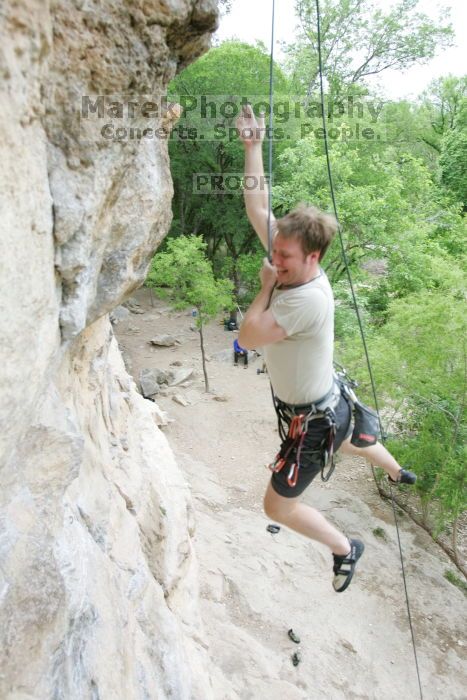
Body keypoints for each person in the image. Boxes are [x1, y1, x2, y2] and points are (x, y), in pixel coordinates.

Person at [236, 105, 416, 593]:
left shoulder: (304, 300)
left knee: (278, 507)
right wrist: (253, 147)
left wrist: (263, 287)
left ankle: (345, 547)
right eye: (274, 252)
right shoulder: (295, 259)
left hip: (313, 423)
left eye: (284, 257)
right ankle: (398, 471)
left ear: (312, 256)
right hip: (329, 399)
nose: (275, 259)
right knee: (355, 436)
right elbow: (257, 209)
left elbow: (247, 338)